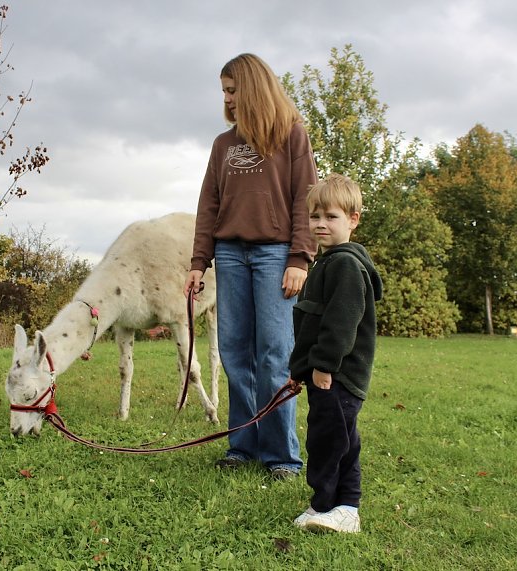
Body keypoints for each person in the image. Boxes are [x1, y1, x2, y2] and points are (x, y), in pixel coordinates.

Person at [184, 53, 318, 480]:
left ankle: (282, 457)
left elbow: (306, 199)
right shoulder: (223, 145)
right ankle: (242, 446)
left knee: (274, 355)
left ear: (253, 89)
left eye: (231, 90)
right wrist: (197, 262)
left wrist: (300, 256)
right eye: (223, 91)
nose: (227, 99)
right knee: (235, 354)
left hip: (275, 255)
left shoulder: (292, 136)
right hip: (229, 254)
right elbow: (209, 206)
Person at [289, 173, 383, 533]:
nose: (321, 224)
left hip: (338, 375)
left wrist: (324, 366)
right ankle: (343, 506)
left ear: (353, 220)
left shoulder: (344, 264)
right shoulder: (326, 262)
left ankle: (328, 506)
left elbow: (340, 324)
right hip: (326, 374)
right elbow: (311, 324)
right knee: (341, 438)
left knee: (329, 440)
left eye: (331, 217)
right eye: (315, 216)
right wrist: (299, 370)